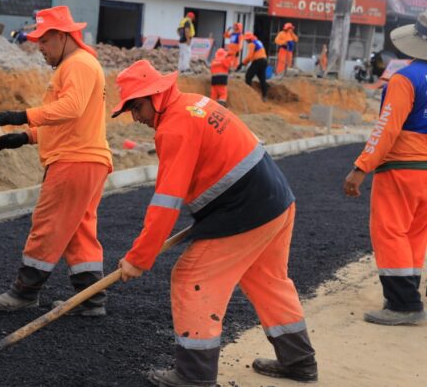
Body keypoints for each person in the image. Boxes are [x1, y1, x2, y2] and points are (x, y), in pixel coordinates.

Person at [111, 60, 317, 387]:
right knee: (267, 280)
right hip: (276, 200)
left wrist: (139, 258)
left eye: (137, 107)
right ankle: (300, 363)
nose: (136, 118)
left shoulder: (174, 126)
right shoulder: (194, 103)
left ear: (155, 96)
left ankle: (194, 376)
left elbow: (166, 202)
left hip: (247, 210)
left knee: (192, 275)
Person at [0, 6, 113, 316]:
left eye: (43, 41)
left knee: (48, 223)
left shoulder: (78, 64)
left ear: (62, 36)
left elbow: (71, 108)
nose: (39, 48)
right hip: (87, 158)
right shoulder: (79, 64)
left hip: (75, 160)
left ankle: (25, 292)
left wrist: (22, 116)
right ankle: (90, 298)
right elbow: (71, 123)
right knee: (79, 230)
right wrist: (27, 136)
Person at [343, 11, 427, 326]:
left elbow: (386, 129)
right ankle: (407, 296)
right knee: (416, 234)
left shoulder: (406, 78)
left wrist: (360, 168)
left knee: (391, 231)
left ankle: (404, 306)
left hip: (403, 168)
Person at [241, 32, 269, 102]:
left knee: (248, 77)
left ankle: (249, 95)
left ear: (249, 39)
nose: (246, 41)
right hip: (264, 61)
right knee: (262, 79)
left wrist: (242, 63)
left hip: (258, 61)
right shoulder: (258, 42)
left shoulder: (251, 44)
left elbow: (249, 56)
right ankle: (264, 96)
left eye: (246, 40)